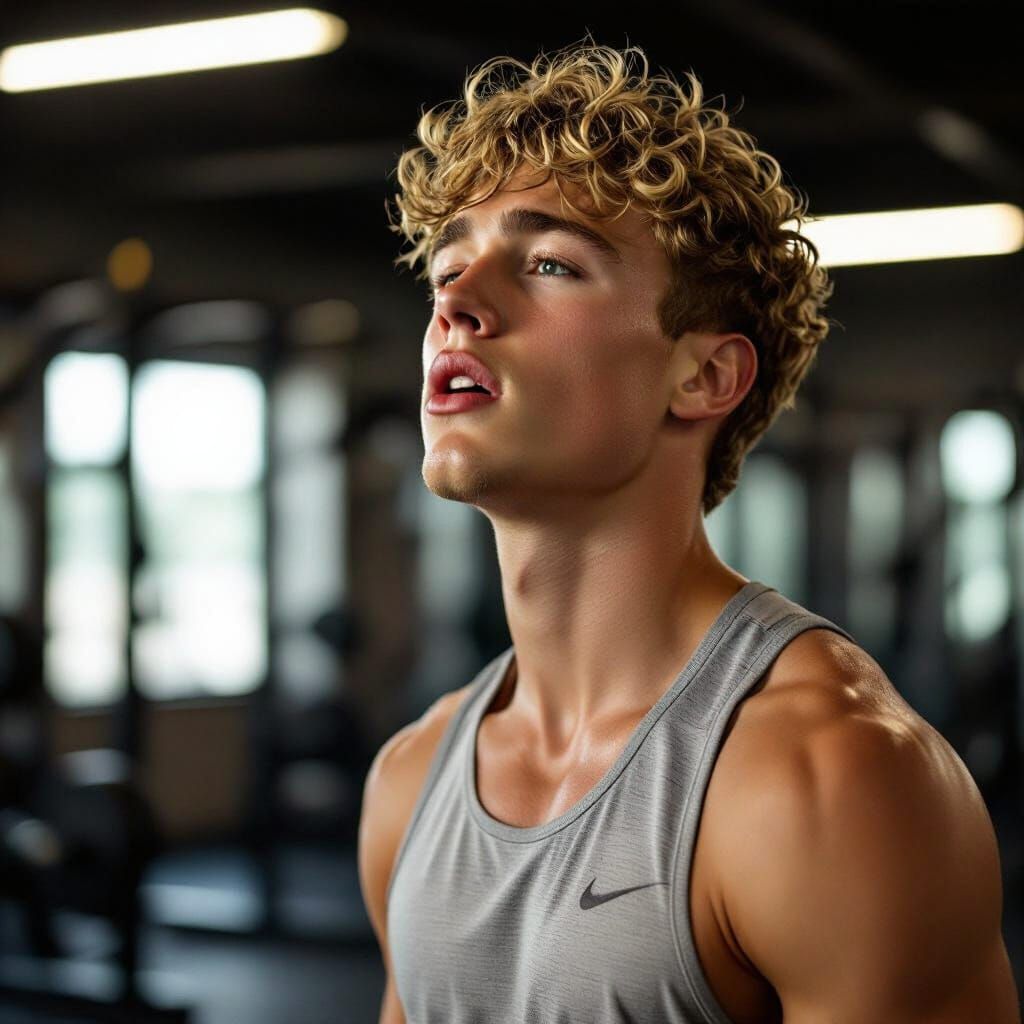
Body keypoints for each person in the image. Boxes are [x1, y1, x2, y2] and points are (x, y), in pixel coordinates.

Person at [357, 41, 1020, 1024]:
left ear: (704, 377)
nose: (455, 302)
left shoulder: (827, 776)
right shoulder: (409, 780)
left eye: (549, 264)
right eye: (449, 267)